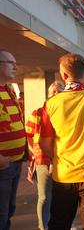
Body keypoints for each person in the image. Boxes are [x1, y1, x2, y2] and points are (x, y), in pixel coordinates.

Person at [39, 53, 84, 229]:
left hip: (63, 174)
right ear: (83, 74)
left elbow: (45, 143)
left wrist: (57, 158)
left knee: (59, 223)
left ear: (64, 76)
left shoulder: (51, 104)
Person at [25, 81, 64, 230]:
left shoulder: (66, 113)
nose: (56, 94)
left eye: (60, 91)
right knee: (45, 197)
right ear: (49, 95)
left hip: (64, 160)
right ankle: (43, 227)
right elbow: (29, 135)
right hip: (44, 160)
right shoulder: (38, 113)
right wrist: (36, 154)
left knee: (63, 197)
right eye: (54, 92)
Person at [0, 50, 27, 230]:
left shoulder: (8, 91)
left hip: (16, 162)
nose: (16, 67)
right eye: (10, 62)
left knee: (9, 210)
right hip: (3, 165)